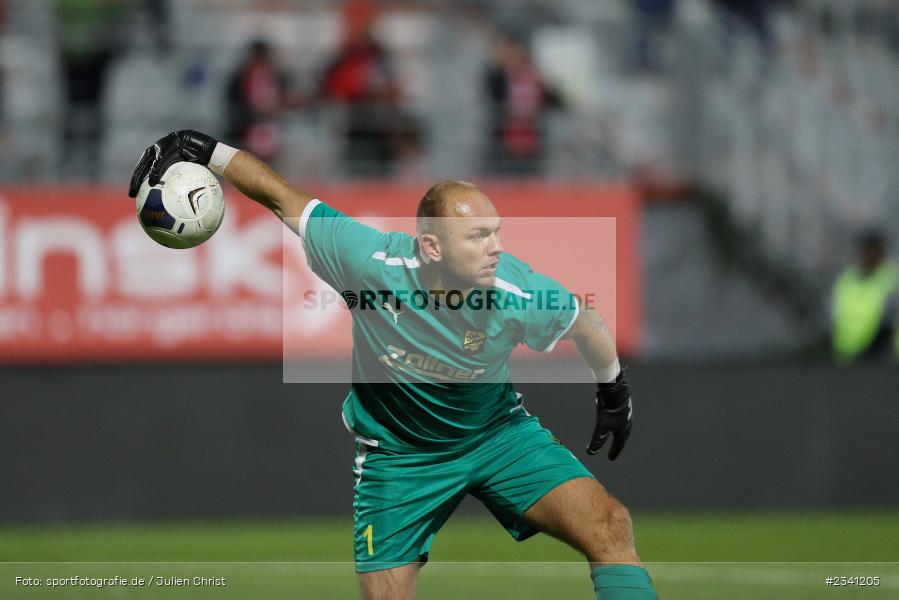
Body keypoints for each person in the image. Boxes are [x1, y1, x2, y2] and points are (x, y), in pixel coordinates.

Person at [128, 131, 658, 600]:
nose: (496, 248)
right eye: (478, 236)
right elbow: (280, 196)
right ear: (430, 246)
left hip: (498, 436)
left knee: (610, 525)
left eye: (496, 232)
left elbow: (585, 321)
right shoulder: (369, 263)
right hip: (399, 459)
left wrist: (613, 391)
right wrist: (206, 150)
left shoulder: (516, 291)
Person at [831, 230, 899, 363]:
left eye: (873, 251)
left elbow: (890, 320)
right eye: (866, 251)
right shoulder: (847, 279)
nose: (869, 255)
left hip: (883, 356)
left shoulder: (892, 278)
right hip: (847, 355)